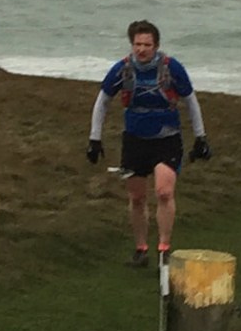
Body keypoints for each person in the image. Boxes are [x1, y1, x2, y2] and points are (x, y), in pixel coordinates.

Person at [88, 19, 210, 268]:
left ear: (156, 45)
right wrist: (94, 139)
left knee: (164, 192)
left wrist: (200, 137)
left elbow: (190, 100)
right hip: (134, 141)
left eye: (147, 44)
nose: (141, 49)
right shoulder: (122, 70)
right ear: (131, 44)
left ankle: (164, 250)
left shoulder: (171, 68)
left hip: (167, 139)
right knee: (136, 198)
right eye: (137, 44)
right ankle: (140, 249)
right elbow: (103, 101)